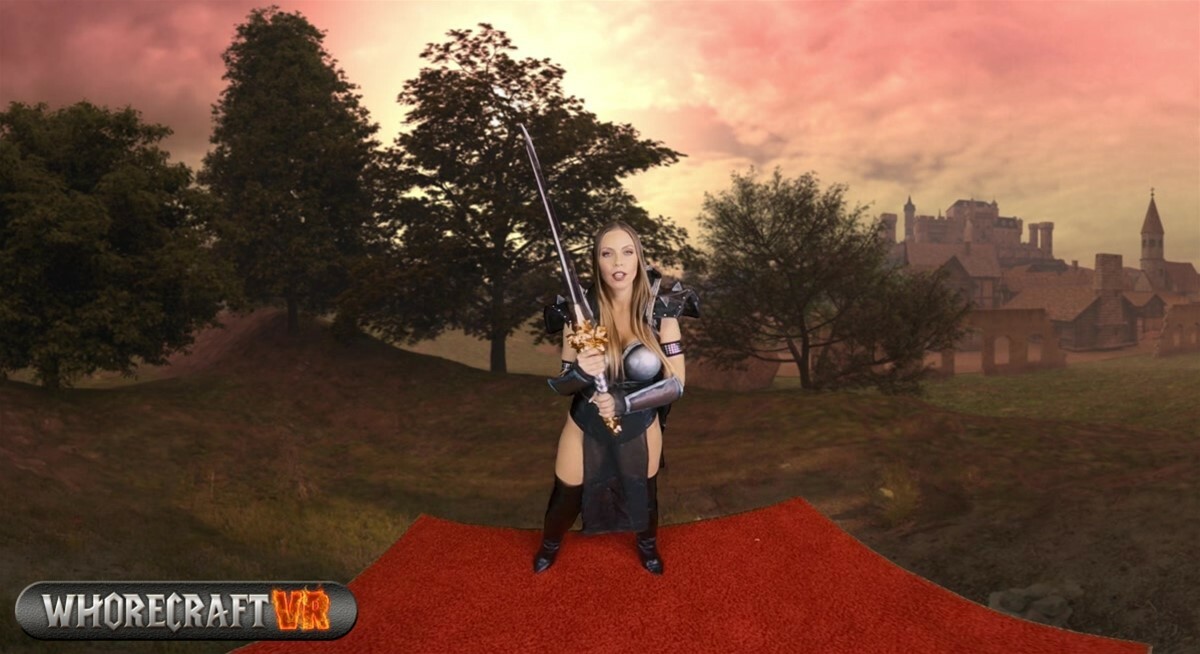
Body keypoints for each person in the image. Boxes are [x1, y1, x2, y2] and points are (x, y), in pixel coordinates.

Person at [533, 220, 697, 575]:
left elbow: (677, 384)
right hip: (587, 418)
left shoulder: (662, 310)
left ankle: (647, 546)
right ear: (597, 261)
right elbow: (562, 384)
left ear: (639, 258)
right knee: (566, 492)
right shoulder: (579, 313)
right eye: (607, 254)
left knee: (642, 492)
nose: (618, 262)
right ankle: (549, 545)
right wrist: (581, 372)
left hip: (641, 419)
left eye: (627, 252)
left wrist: (624, 403)